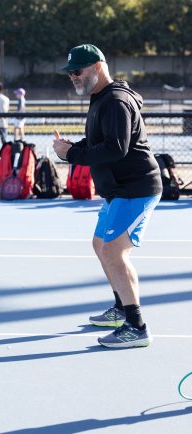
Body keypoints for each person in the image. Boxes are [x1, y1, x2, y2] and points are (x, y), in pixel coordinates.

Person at [52, 44, 162, 348]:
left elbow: (116, 148)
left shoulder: (114, 101)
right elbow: (101, 139)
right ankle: (119, 309)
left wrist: (72, 153)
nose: (73, 76)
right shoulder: (101, 97)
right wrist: (76, 147)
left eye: (78, 71)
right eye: (70, 73)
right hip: (119, 190)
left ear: (98, 66)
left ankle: (136, 326)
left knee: (114, 252)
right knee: (101, 244)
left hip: (135, 188)